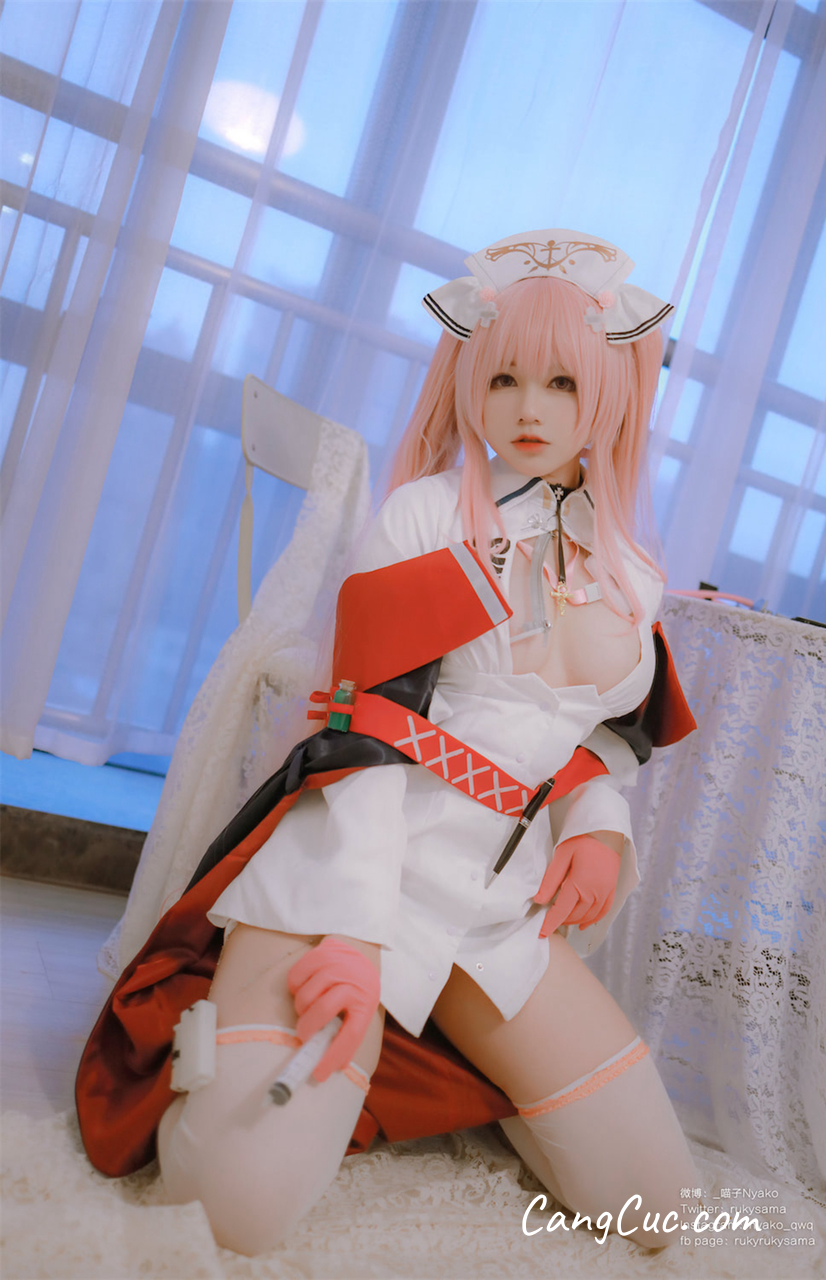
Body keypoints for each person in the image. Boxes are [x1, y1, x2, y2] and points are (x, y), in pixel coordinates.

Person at [85, 229, 700, 1255]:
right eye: (501, 377)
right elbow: (361, 729)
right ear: (466, 379)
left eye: (561, 381)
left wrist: (598, 828)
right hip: (352, 866)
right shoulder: (422, 515)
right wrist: (352, 931)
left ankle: (447, 1071)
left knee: (658, 1210)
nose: (530, 408)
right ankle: (258, 1023)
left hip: (493, 908)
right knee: (236, 1207)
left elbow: (602, 731)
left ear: (611, 388)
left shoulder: (630, 568)